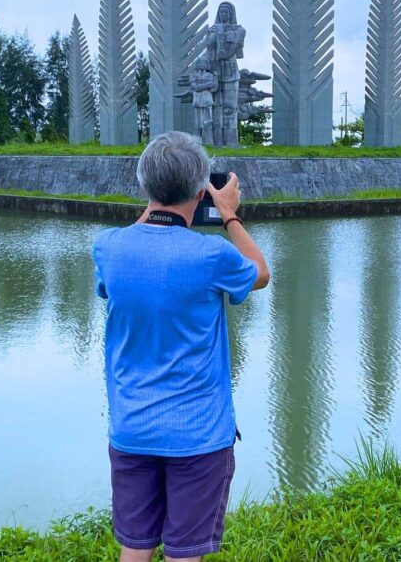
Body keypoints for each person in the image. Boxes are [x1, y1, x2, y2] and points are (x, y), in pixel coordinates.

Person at [93, 131, 270, 562]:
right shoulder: (211, 256)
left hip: (132, 428)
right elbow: (260, 273)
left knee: (133, 550)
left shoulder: (109, 247)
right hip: (197, 435)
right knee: (184, 555)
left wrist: (153, 204)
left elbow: (115, 272)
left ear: (144, 188)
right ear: (199, 190)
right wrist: (229, 215)